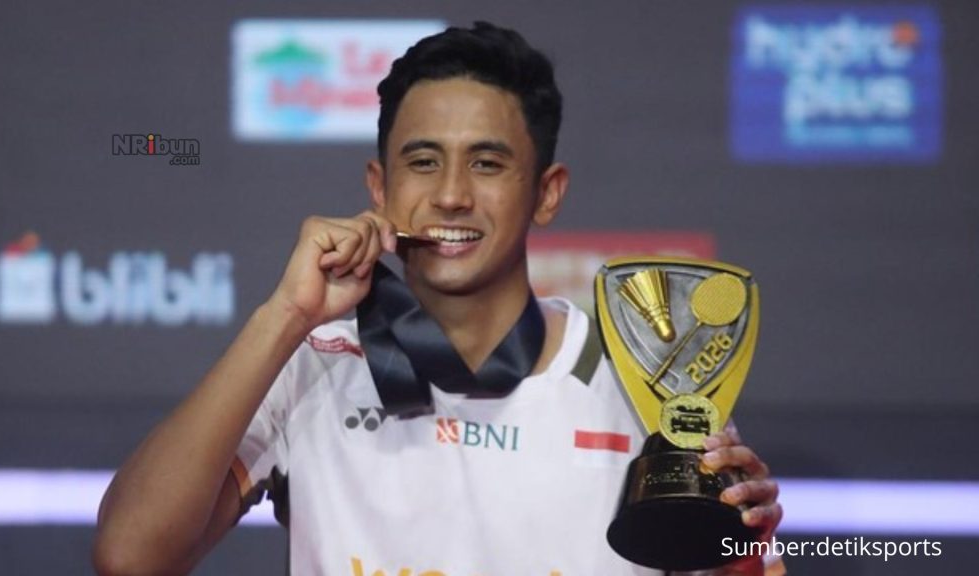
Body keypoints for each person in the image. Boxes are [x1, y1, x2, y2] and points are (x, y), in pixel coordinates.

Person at [93, 22, 784, 576]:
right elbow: (130, 557)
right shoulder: (314, 363)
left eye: (487, 163)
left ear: (546, 193)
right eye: (423, 162)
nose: (451, 194)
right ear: (380, 187)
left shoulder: (643, 384)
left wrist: (738, 550)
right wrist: (286, 317)